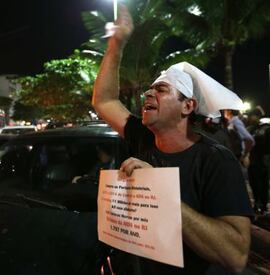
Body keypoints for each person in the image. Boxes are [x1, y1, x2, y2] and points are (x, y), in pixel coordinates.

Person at [92, 5, 252, 274]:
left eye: (161, 89)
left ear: (187, 106)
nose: (147, 94)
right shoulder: (144, 138)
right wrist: (117, 43)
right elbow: (105, 100)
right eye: (149, 89)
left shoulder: (216, 160)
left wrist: (158, 193)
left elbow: (236, 256)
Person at [247, 106, 270, 215]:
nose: (250, 118)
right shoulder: (253, 128)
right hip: (255, 160)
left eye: (252, 116)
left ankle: (262, 206)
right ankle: (258, 204)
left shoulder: (264, 129)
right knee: (254, 183)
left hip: (262, 161)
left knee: (261, 184)